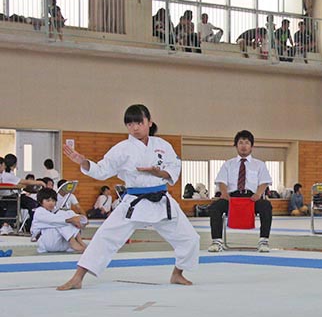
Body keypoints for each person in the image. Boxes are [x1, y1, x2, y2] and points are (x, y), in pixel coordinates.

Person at [56, 104, 199, 290]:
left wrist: (158, 173)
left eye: (139, 122)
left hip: (162, 200)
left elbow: (173, 171)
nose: (135, 128)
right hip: (134, 202)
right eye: (130, 124)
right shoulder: (122, 149)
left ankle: (178, 274)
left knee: (190, 238)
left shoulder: (163, 146)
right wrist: (83, 161)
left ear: (149, 122)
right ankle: (78, 277)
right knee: (104, 236)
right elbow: (101, 170)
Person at [207, 130, 273, 253]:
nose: (243, 146)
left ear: (251, 146)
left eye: (247, 143)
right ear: (236, 145)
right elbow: (221, 181)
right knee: (215, 207)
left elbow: (264, 182)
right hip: (232, 198)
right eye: (240, 142)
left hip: (252, 198)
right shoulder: (228, 164)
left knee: (266, 206)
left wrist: (258, 194)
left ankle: (264, 241)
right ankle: (216, 241)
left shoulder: (259, 164)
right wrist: (224, 193)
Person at [31, 188, 87, 253]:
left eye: (53, 201)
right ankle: (74, 243)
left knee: (68, 215)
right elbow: (53, 220)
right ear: (41, 202)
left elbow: (73, 216)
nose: (51, 203)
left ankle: (79, 241)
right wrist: (71, 220)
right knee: (62, 220)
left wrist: (80, 219)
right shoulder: (39, 212)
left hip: (61, 244)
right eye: (48, 201)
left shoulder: (57, 211)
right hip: (47, 243)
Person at [0, 154, 45, 234]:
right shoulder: (6, 175)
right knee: (33, 204)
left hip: (13, 196)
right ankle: (7, 225)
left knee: (33, 204)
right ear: (14, 164)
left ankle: (32, 225)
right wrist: (39, 182)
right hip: (11, 197)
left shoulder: (8, 174)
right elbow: (25, 182)